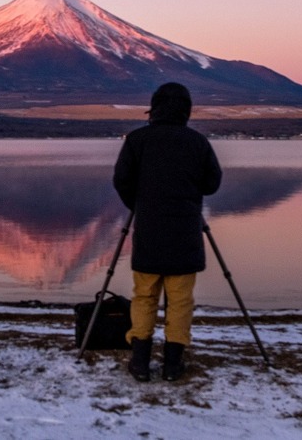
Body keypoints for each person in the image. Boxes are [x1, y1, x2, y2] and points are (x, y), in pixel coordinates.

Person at [112, 82, 222, 382]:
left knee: (144, 296)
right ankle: (173, 363)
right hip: (186, 232)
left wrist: (139, 204)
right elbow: (212, 184)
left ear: (154, 107)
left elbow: (121, 179)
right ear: (186, 110)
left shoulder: (137, 140)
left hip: (148, 231)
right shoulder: (197, 142)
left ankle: (140, 361)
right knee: (181, 300)